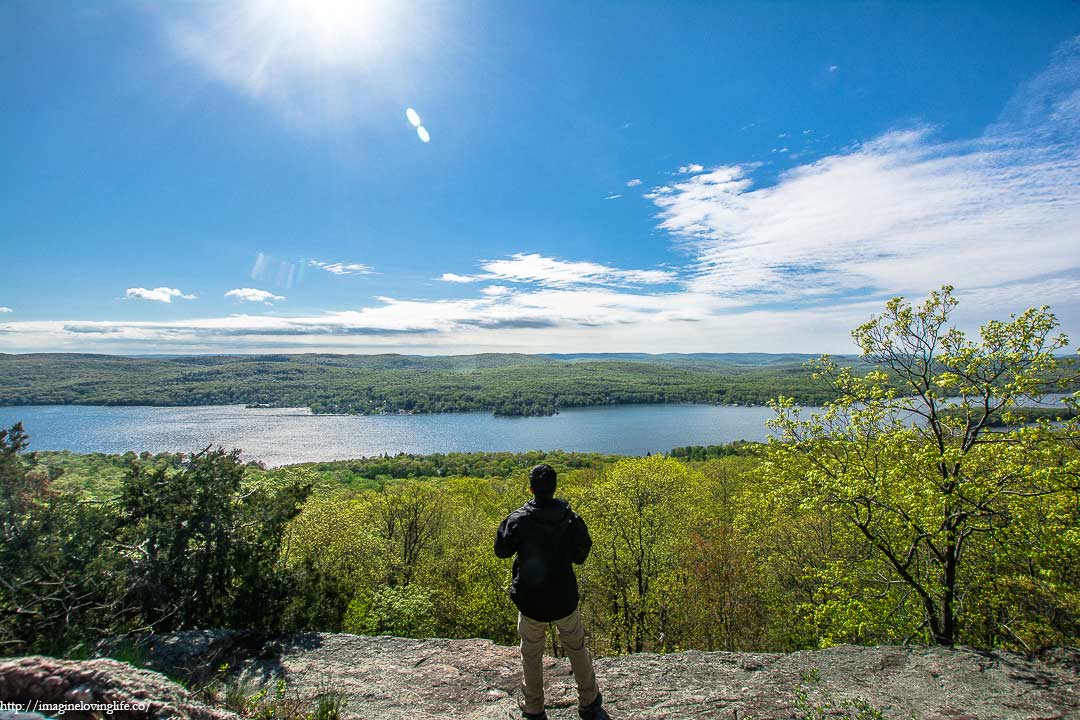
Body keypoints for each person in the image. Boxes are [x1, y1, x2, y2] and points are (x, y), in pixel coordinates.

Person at [495, 463, 610, 720]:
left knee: (531, 653)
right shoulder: (570, 518)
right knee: (577, 648)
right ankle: (590, 703)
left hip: (531, 600)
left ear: (531, 488)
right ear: (555, 487)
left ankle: (534, 708)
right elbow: (581, 555)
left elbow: (501, 550)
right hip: (564, 597)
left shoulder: (520, 519)